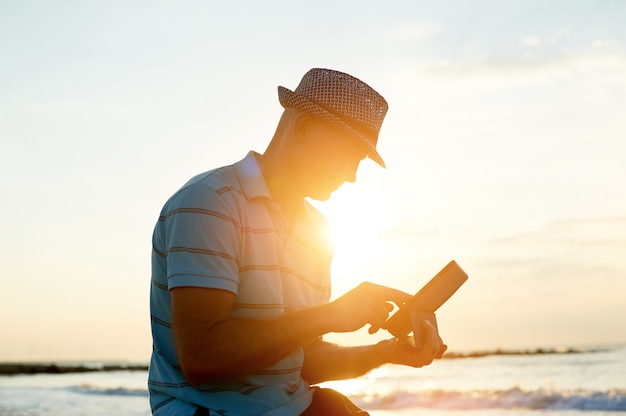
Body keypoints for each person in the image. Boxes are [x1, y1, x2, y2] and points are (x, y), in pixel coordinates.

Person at [148, 68, 447, 416]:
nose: (352, 176)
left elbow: (297, 361)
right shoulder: (210, 204)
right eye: (349, 154)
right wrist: (328, 316)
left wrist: (383, 353)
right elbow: (203, 359)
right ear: (303, 129)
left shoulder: (317, 233)